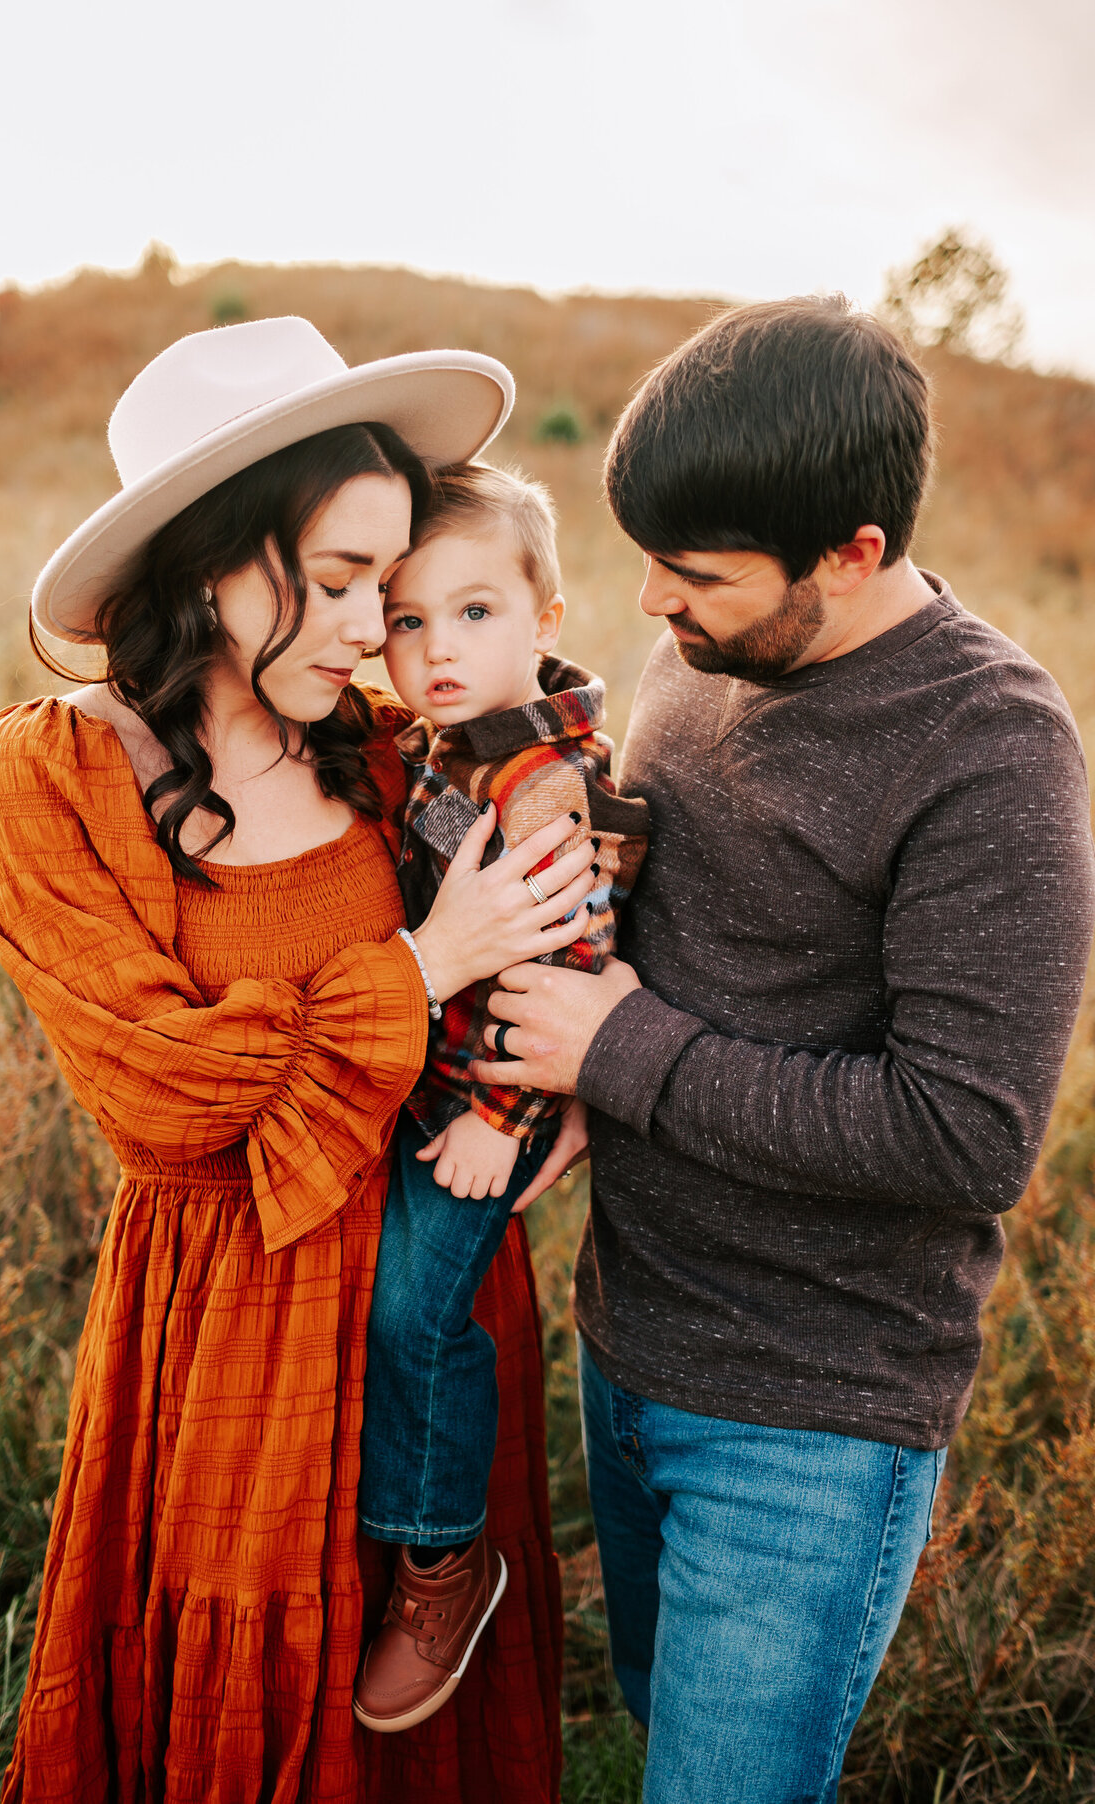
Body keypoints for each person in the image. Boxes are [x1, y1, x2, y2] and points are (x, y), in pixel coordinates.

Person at [0, 316, 592, 1804]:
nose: (383, 627)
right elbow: (170, 1098)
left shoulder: (383, 749)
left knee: (416, 1710)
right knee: (242, 1693)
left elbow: (572, 907)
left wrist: (570, 1094)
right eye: (343, 580)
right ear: (209, 563)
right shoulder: (54, 778)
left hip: (428, 1289)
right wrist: (429, 964)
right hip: (227, 1318)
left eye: (392, 579)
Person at [471, 296, 1095, 1802]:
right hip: (626, 1343)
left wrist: (620, 1050)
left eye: (694, 578)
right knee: (649, 1715)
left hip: (806, 1423)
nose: (648, 609)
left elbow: (963, 1137)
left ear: (855, 553)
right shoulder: (701, 659)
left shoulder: (992, 753)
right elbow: (658, 922)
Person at [349, 464, 649, 1732]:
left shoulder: (537, 783)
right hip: (440, 1086)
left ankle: (442, 1557)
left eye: (474, 614)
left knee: (420, 1317)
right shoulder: (457, 740)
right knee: (397, 1303)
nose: (436, 651)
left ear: (547, 613)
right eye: (407, 622)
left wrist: (500, 1120)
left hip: (485, 1107)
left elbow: (572, 960)